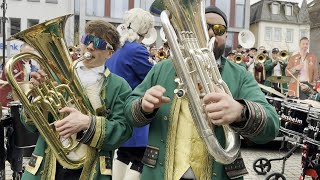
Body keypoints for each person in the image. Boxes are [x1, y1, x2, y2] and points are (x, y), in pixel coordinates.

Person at [124, 5, 279, 180]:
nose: (212, 33)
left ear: (226, 35)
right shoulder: (162, 69)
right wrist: (144, 106)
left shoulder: (240, 75)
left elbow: (272, 126)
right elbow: (129, 112)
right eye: (205, 27)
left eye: (219, 29)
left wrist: (240, 112)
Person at [21, 20, 132, 180]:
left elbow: (123, 130)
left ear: (110, 53)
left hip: (91, 170)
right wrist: (33, 96)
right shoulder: (55, 76)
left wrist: (88, 122)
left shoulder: (119, 86)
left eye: (99, 43)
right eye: (87, 40)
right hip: (49, 164)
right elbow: (32, 126)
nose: (90, 47)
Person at [105, 8, 154, 180]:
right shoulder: (137, 50)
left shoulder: (118, 48)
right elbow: (155, 77)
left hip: (116, 110)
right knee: (140, 159)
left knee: (123, 155)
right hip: (133, 112)